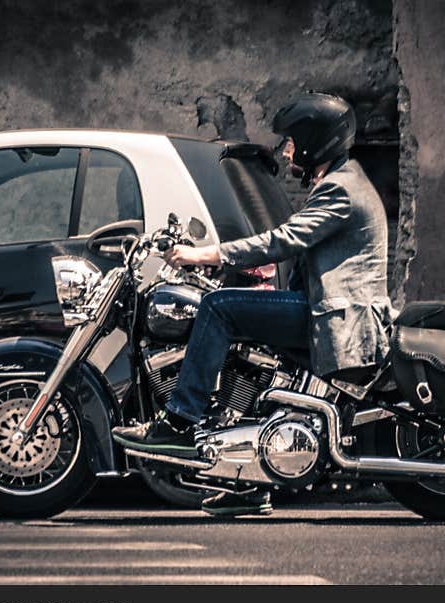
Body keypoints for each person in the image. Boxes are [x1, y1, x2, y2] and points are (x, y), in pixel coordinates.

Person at [113, 92, 394, 516]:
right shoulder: (344, 179)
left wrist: (205, 255)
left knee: (219, 308)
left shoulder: (340, 188)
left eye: (291, 142)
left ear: (313, 143)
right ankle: (244, 481)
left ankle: (179, 423)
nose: (285, 151)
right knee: (247, 340)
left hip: (338, 319)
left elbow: (282, 240)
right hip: (327, 310)